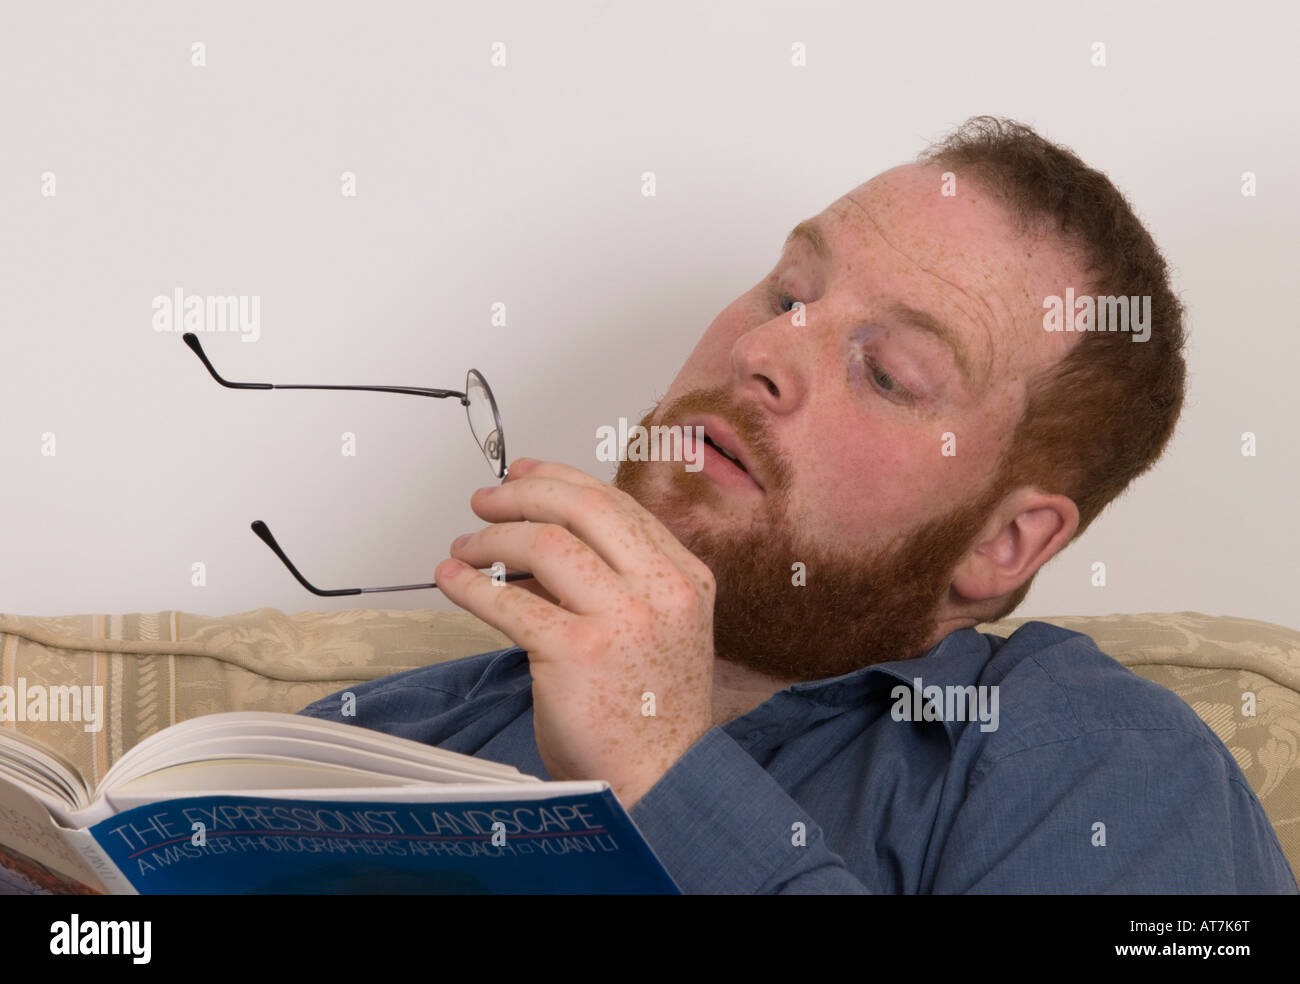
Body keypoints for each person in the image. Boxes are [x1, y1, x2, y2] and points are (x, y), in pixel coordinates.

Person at [299, 116, 1297, 893]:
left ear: (1002, 541)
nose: (764, 352)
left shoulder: (1110, 772)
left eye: (891, 375)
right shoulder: (389, 738)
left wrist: (663, 773)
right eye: (786, 294)